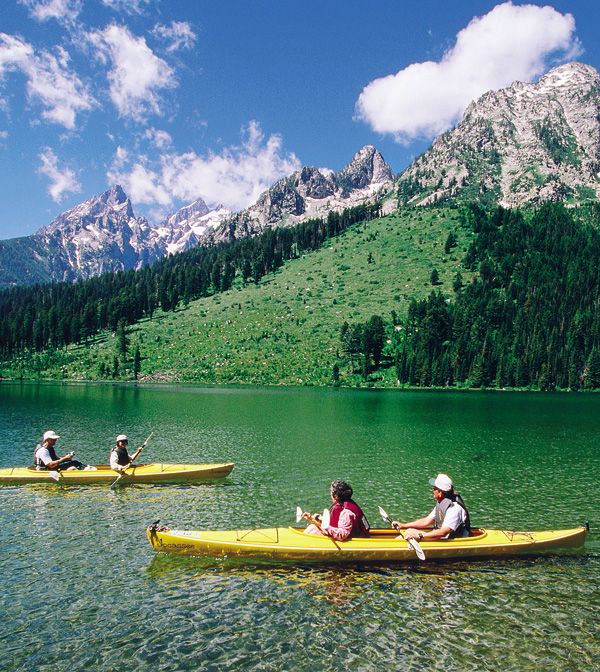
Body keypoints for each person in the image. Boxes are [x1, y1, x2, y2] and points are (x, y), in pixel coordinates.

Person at [392, 473, 472, 541]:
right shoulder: (442, 503)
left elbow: (443, 532)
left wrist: (419, 536)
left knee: (410, 532)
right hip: (442, 538)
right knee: (409, 531)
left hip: (451, 541)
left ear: (440, 492)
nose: (432, 490)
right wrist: (403, 525)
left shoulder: (454, 508)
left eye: (434, 489)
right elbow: (426, 521)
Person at [303, 480, 370, 541]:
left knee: (313, 530)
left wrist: (322, 524)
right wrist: (313, 519)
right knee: (312, 527)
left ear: (335, 496)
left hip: (356, 542)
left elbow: (341, 535)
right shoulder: (347, 504)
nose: (330, 494)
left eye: (331, 492)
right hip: (357, 536)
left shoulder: (346, 512)